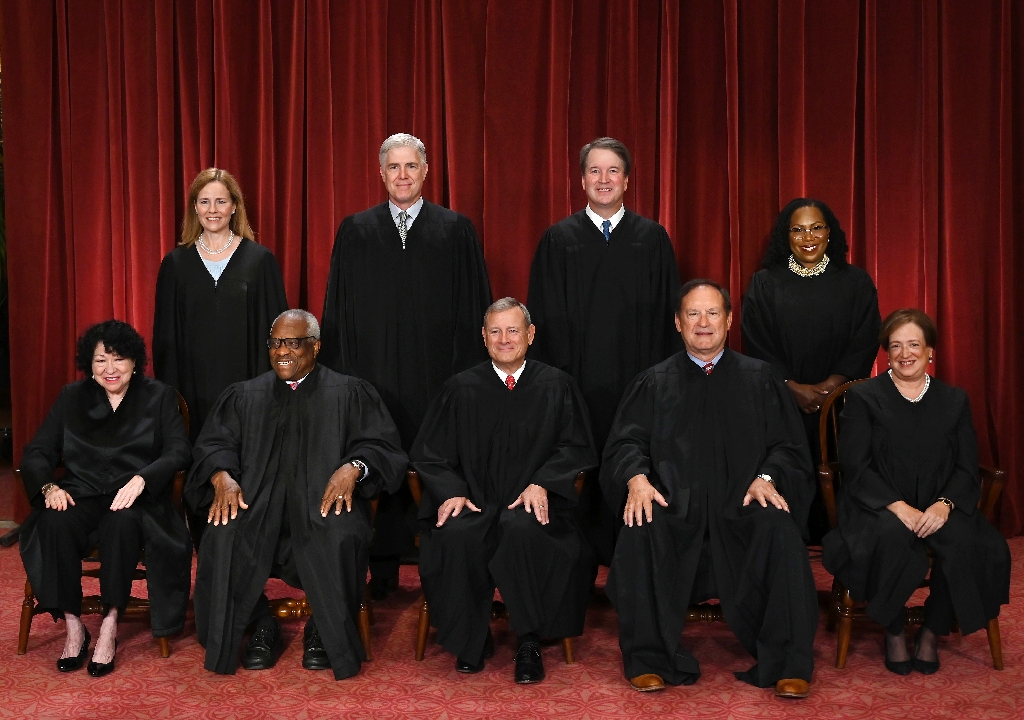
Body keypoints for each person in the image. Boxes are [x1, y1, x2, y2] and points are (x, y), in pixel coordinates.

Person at [602, 279, 818, 698]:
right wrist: (637, 478)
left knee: (781, 532)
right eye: (693, 314)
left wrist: (767, 478)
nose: (704, 323)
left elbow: (789, 446)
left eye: (713, 313)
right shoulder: (654, 382)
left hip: (742, 505)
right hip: (671, 505)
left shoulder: (760, 379)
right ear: (679, 323)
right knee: (640, 527)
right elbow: (625, 442)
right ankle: (648, 659)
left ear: (729, 319)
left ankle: (789, 662)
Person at [185, 310, 407, 680]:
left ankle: (324, 627)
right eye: (275, 343)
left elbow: (383, 446)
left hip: (322, 505)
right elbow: (213, 445)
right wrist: (222, 476)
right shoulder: (245, 396)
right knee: (222, 535)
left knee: (341, 534)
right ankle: (260, 625)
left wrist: (354, 467)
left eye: (292, 342)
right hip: (256, 506)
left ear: (315, 346)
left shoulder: (349, 392)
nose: (281, 351)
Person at [320, 133, 492, 599]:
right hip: (372, 375)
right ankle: (382, 566)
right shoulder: (356, 229)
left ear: (425, 171)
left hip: (436, 375)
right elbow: (339, 310)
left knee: (434, 459)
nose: (402, 175)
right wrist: (344, 380)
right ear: (381, 173)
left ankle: (439, 563)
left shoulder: (455, 230)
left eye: (410, 167)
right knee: (375, 454)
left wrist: (467, 379)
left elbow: (473, 308)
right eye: (393, 167)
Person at [412, 298, 598, 684]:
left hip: (533, 504)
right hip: (476, 502)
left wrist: (544, 481)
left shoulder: (556, 385)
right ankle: (471, 638)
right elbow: (429, 454)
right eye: (495, 331)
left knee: (524, 530)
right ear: (483, 337)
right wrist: (452, 491)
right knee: (458, 535)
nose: (504, 339)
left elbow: (577, 448)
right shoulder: (460, 388)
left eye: (513, 330)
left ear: (530, 334)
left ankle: (529, 639)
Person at [822, 309, 1010, 675]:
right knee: (889, 538)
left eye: (913, 344)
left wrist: (945, 504)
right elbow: (856, 467)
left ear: (930, 352)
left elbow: (966, 466)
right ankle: (892, 629)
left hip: (940, 503)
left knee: (967, 543)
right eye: (895, 346)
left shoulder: (954, 400)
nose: (905, 353)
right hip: (877, 505)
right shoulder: (863, 398)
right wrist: (898, 507)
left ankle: (931, 630)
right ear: (885, 353)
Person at [527, 137, 682, 566]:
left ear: (627, 180)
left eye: (613, 170)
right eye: (594, 171)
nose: (604, 179)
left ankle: (633, 559)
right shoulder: (559, 240)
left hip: (639, 381)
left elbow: (671, 317)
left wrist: (662, 382)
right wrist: (558, 383)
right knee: (581, 462)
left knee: (636, 458)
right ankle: (578, 562)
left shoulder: (652, 239)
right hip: (577, 382)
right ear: (581, 180)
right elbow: (542, 319)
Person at [18, 320, 191, 677]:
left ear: (134, 361)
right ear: (89, 364)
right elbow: (37, 451)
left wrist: (145, 478)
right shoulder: (71, 397)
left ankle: (110, 623)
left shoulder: (157, 396)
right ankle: (73, 625)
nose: (110, 369)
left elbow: (179, 452)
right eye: (100, 361)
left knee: (122, 521)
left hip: (135, 496)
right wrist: (49, 487)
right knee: (53, 520)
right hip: (81, 492)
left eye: (118, 359)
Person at [742, 198, 880, 543]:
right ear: (785, 236)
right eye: (798, 229)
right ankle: (788, 535)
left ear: (829, 233)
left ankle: (839, 536)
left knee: (841, 467)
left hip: (842, 405)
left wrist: (832, 387)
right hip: (781, 400)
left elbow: (865, 339)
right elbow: (756, 342)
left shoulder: (856, 283)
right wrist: (792, 386)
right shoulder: (765, 283)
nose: (808, 236)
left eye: (816, 227)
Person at [153, 167, 288, 444]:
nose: (212, 210)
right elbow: (165, 339)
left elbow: (279, 335)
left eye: (221, 201)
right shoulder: (176, 264)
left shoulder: (259, 261)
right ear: (195, 207)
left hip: (250, 390)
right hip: (193, 391)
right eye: (204, 201)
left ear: (235, 206)